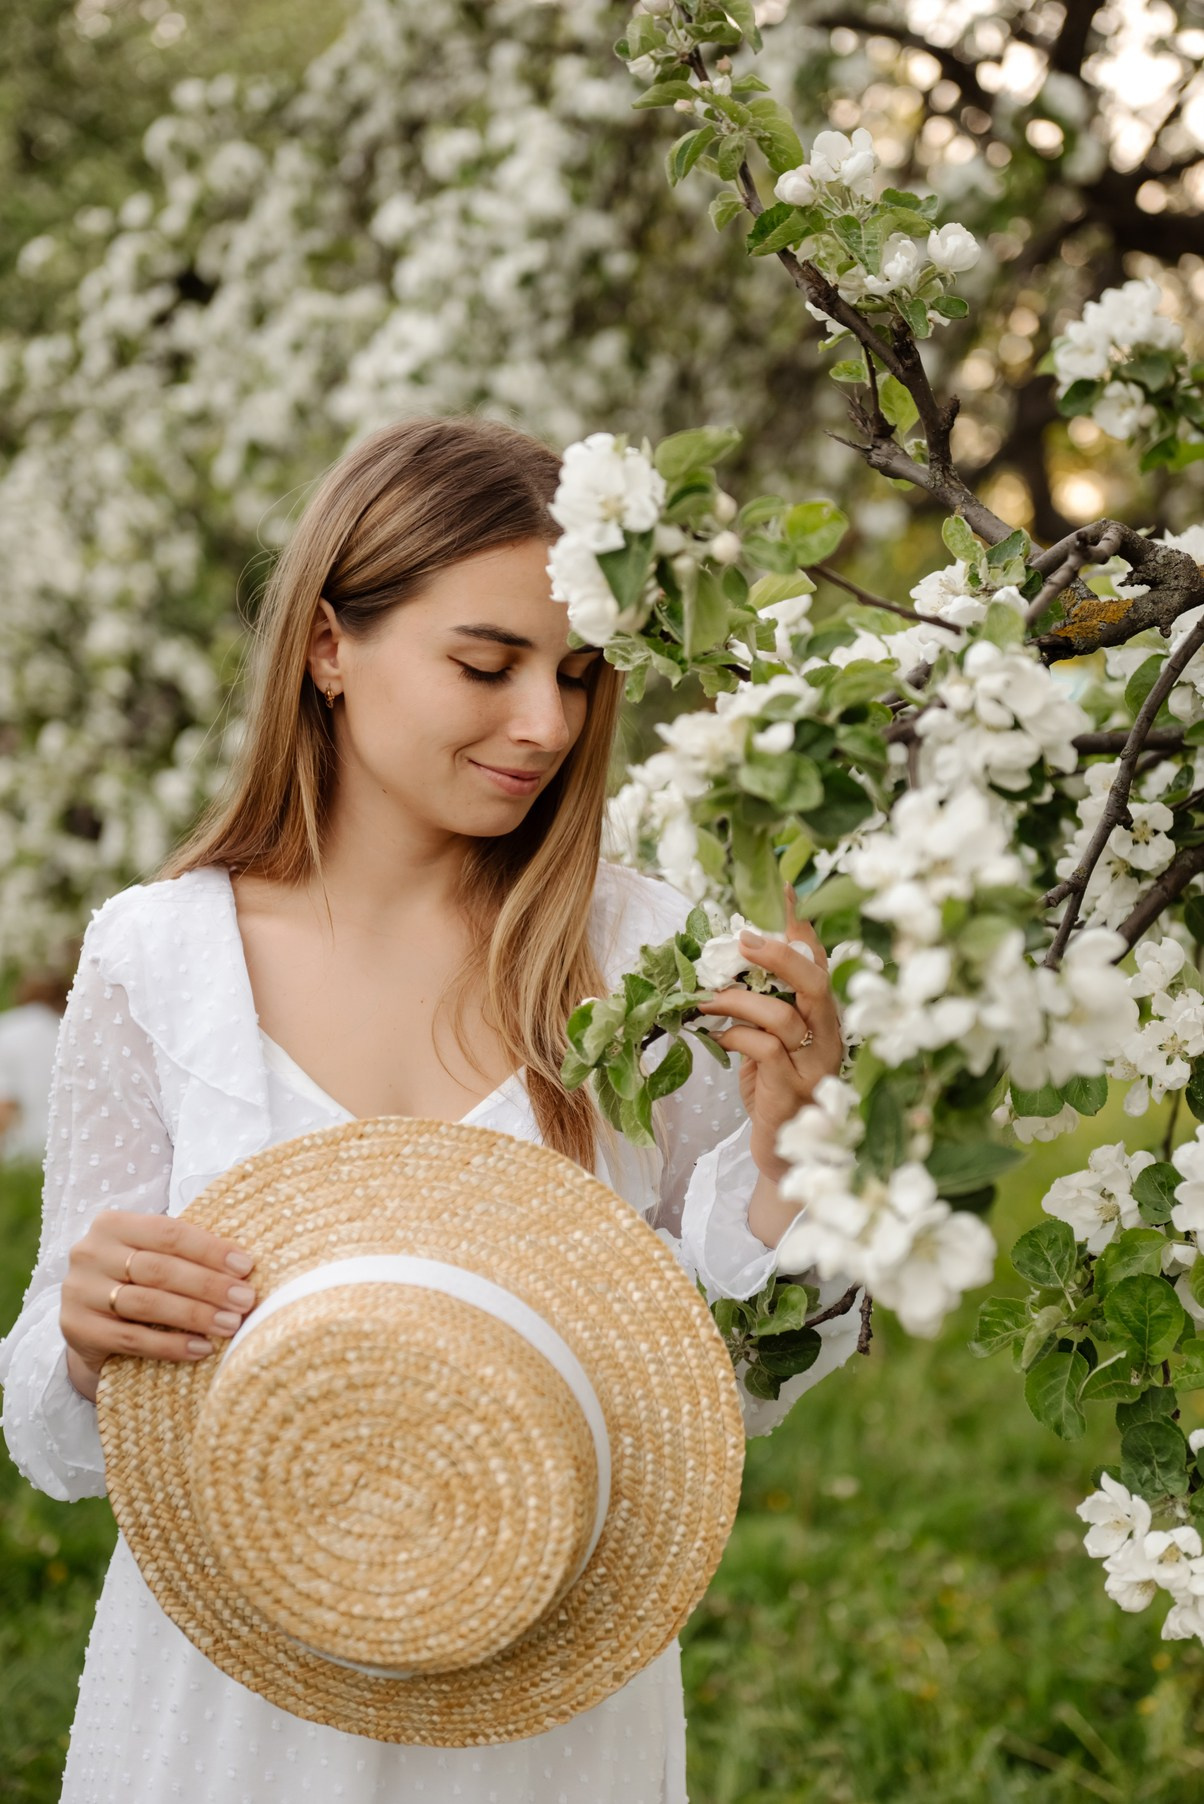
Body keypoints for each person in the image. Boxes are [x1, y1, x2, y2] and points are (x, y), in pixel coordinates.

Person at [0, 415, 855, 1804]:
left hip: (541, 1698)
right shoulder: (157, 956)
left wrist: (790, 1148)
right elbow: (53, 1425)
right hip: (231, 1698)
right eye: (487, 663)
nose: (550, 724)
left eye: (578, 675)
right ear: (331, 647)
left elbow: (740, 1389)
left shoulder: (642, 954)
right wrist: (89, 1335)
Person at [0, 968, 73, 1164]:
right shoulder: (71, 1032)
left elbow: (5, 1104)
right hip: (72, 1148)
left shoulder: (7, 1029)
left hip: (23, 1156)